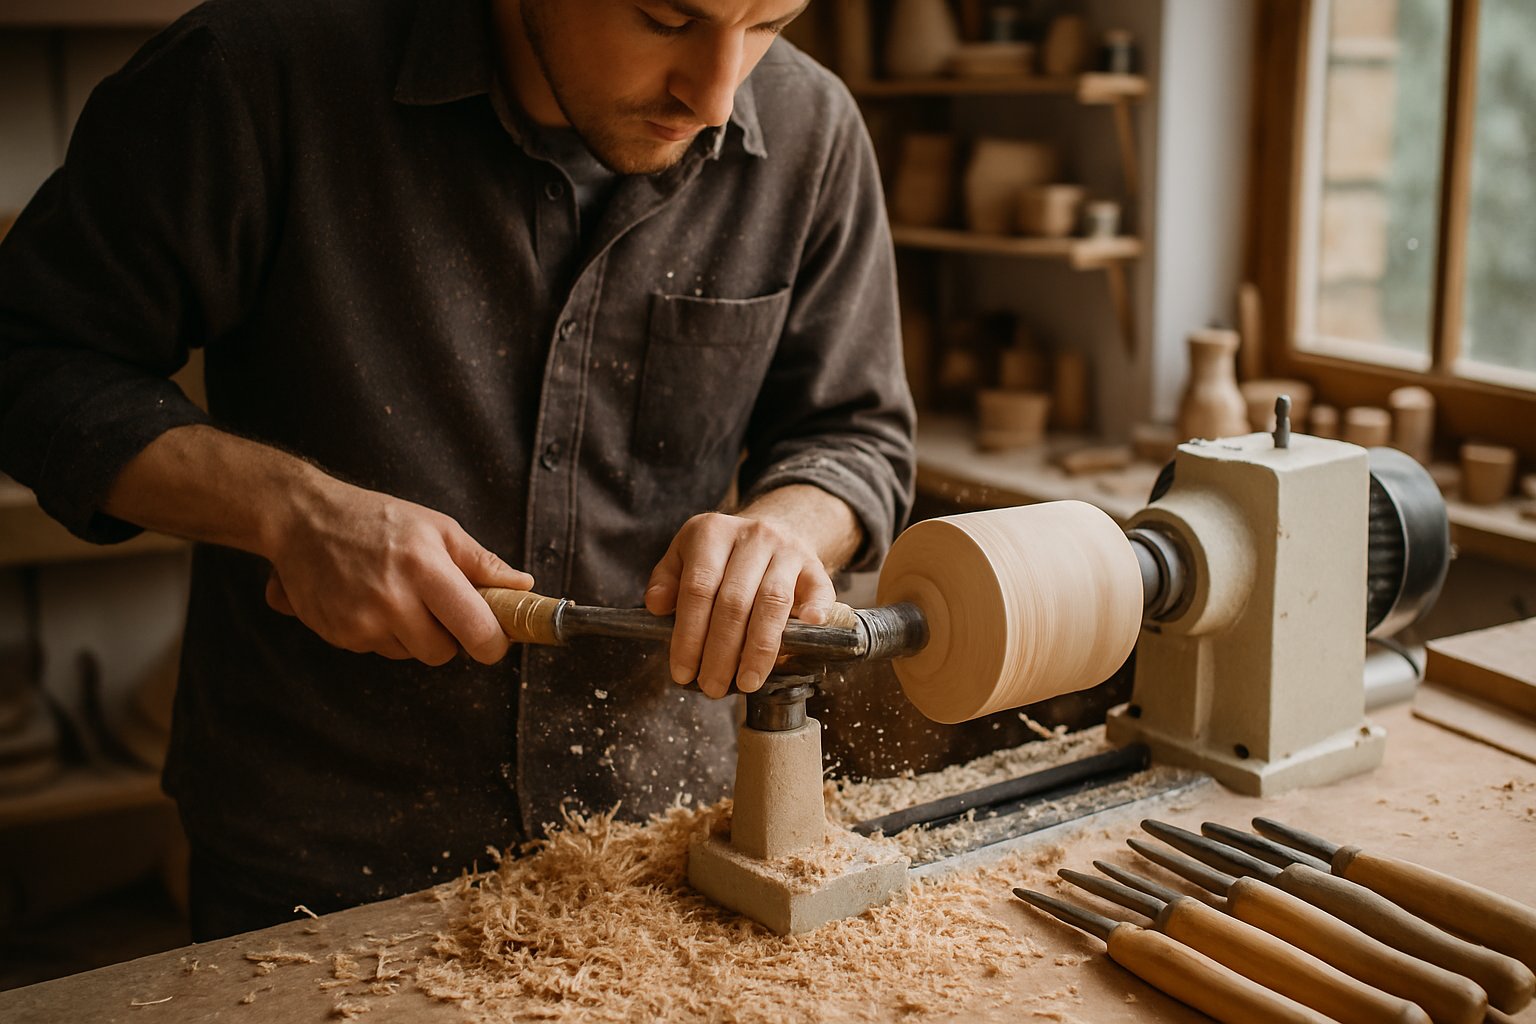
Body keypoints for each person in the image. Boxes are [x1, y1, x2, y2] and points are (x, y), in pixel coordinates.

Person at [0, 0, 913, 939]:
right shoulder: (254, 70)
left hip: (660, 837)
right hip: (323, 860)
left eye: (768, 22)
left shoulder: (812, 129)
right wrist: (291, 511)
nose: (717, 96)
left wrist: (791, 528)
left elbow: (855, 432)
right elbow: (32, 358)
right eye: (664, 17)